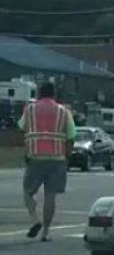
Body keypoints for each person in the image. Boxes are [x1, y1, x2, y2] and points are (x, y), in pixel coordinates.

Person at [18, 81, 76, 241]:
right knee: (50, 197)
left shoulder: (29, 109)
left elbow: (21, 129)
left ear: (39, 93)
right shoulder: (63, 112)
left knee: (28, 192)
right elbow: (71, 136)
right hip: (57, 159)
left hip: (35, 157)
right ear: (54, 94)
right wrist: (67, 156)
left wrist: (27, 150)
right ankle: (46, 232)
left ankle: (34, 220)